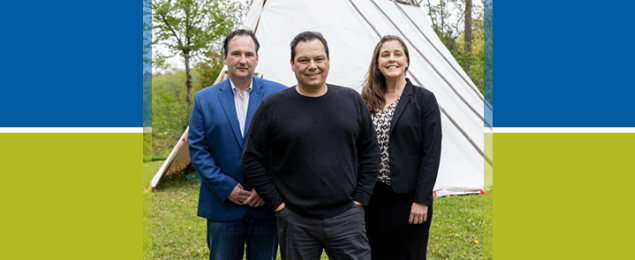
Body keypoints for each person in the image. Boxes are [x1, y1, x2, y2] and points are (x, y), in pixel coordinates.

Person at [242, 31, 380, 260]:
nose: (312, 66)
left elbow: (370, 151)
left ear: (328, 60)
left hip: (346, 216)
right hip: (296, 220)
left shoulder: (351, 100)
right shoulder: (273, 106)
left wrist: (360, 199)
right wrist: (278, 205)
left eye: (319, 59)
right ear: (292, 64)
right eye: (304, 60)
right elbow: (251, 158)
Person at [188, 29, 287, 260]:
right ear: (224, 58)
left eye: (248, 54)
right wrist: (226, 187)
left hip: (265, 205)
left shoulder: (279, 95)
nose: (243, 60)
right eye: (236, 54)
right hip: (222, 206)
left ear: (257, 59)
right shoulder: (204, 99)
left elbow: (287, 147)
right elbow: (197, 149)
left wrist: (266, 187)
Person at [361, 35, 442, 260]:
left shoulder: (424, 99)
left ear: (407, 60)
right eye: (385, 55)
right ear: (377, 62)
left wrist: (422, 199)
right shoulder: (367, 100)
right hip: (373, 198)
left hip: (408, 199)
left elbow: (431, 153)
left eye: (397, 54)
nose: (391, 59)